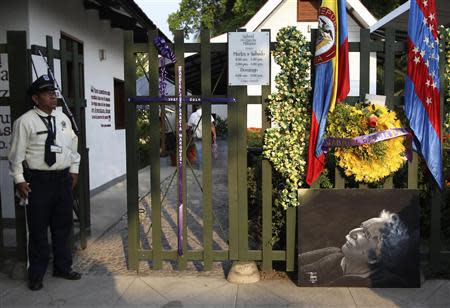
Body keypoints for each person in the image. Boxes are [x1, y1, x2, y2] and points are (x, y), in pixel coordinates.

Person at [8, 75, 81, 291]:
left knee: (63, 227)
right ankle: (36, 274)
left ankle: (63, 267)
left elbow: (73, 146)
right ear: (35, 98)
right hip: (37, 182)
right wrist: (20, 180)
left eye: (54, 93)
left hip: (62, 181)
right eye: (47, 93)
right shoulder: (25, 122)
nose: (53, 96)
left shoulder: (63, 119)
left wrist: (74, 170)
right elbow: (16, 156)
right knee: (38, 230)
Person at [299, 210, 413, 287]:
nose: (352, 232)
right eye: (361, 227)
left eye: (366, 234)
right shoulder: (333, 252)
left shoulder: (386, 284)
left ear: (374, 257)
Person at [187, 104, 216, 169]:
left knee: (199, 151)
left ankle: (200, 167)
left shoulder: (193, 115)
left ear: (196, 107)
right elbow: (212, 126)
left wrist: (189, 136)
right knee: (206, 150)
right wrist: (214, 135)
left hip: (197, 135)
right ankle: (207, 166)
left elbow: (189, 127)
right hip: (206, 135)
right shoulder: (208, 114)